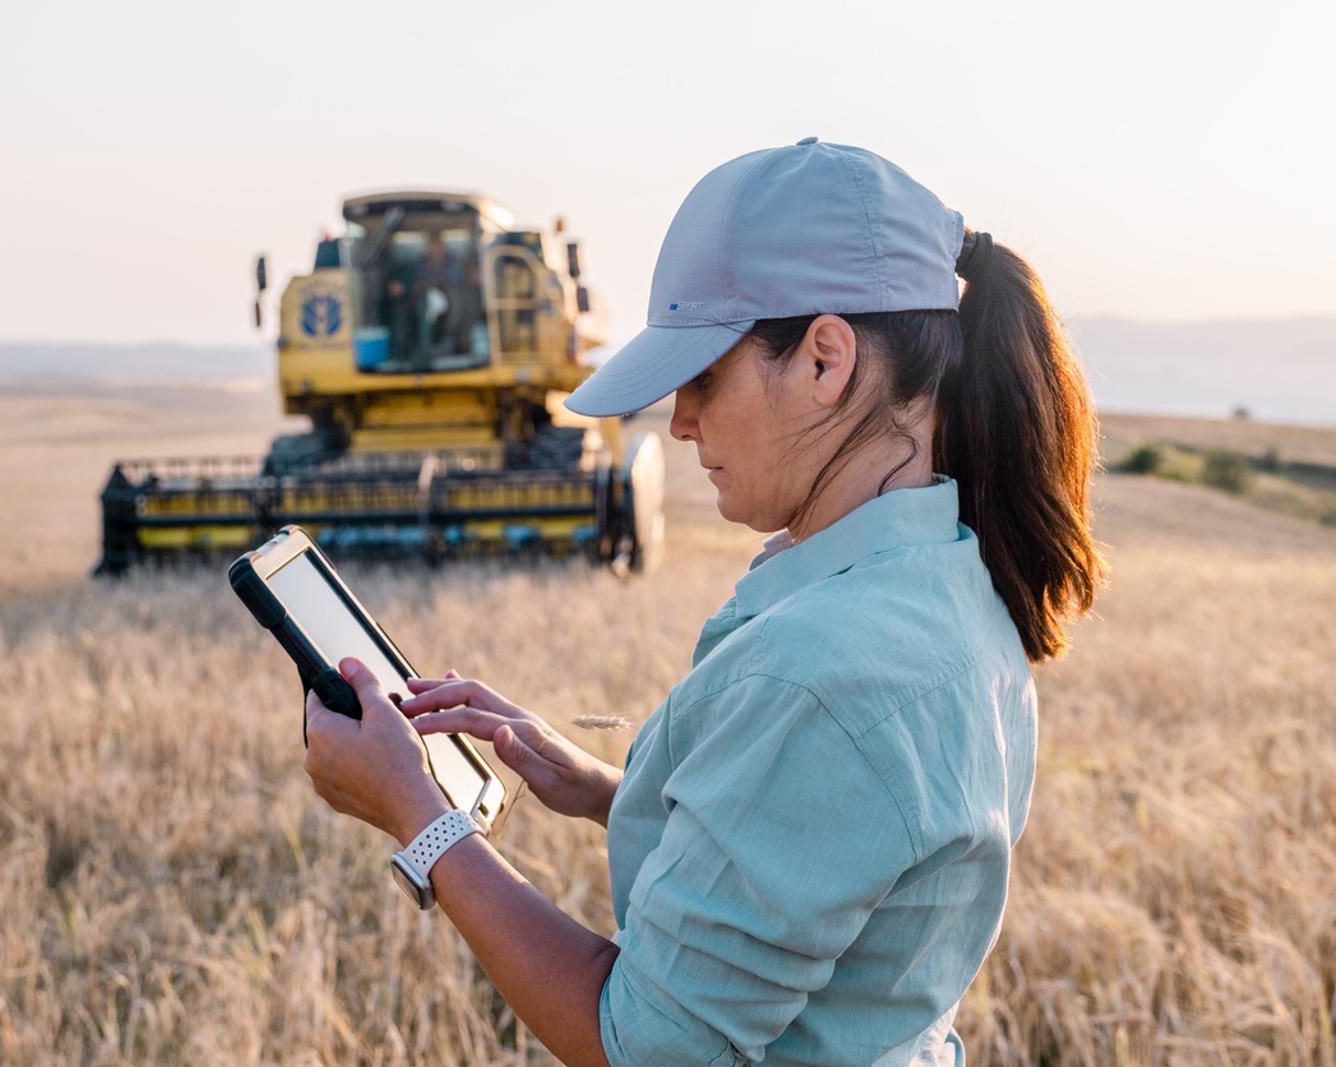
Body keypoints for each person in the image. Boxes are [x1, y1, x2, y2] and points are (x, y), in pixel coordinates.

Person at [298, 138, 1104, 1066]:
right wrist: (612, 789)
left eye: (704, 377)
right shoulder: (954, 580)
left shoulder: (818, 673)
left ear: (824, 360)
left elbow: (643, 1044)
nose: (679, 421)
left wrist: (421, 818)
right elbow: (834, 860)